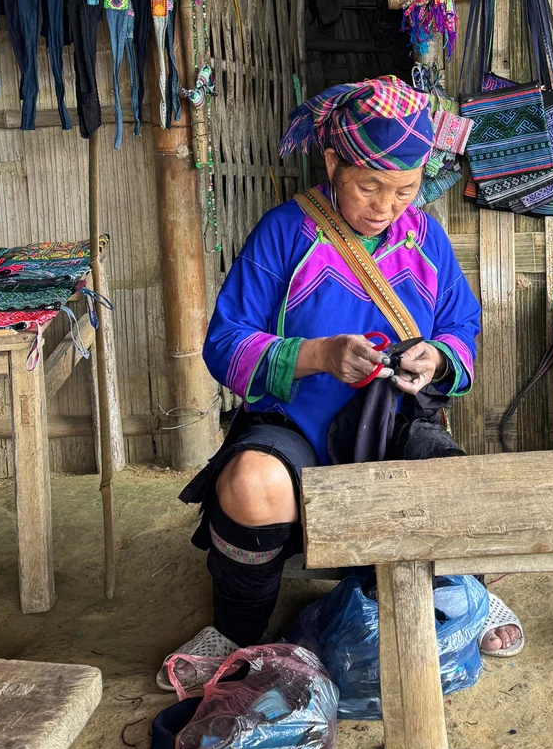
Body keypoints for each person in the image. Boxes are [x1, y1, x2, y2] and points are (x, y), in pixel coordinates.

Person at [158, 76, 523, 690]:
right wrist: (318, 355)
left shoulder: (427, 237)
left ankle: (467, 595)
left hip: (396, 423)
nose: (385, 206)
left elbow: (462, 325)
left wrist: (435, 357)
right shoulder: (286, 232)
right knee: (250, 484)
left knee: (457, 486)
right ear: (332, 163)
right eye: (369, 186)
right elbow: (223, 343)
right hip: (295, 424)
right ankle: (236, 629)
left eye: (404, 190)